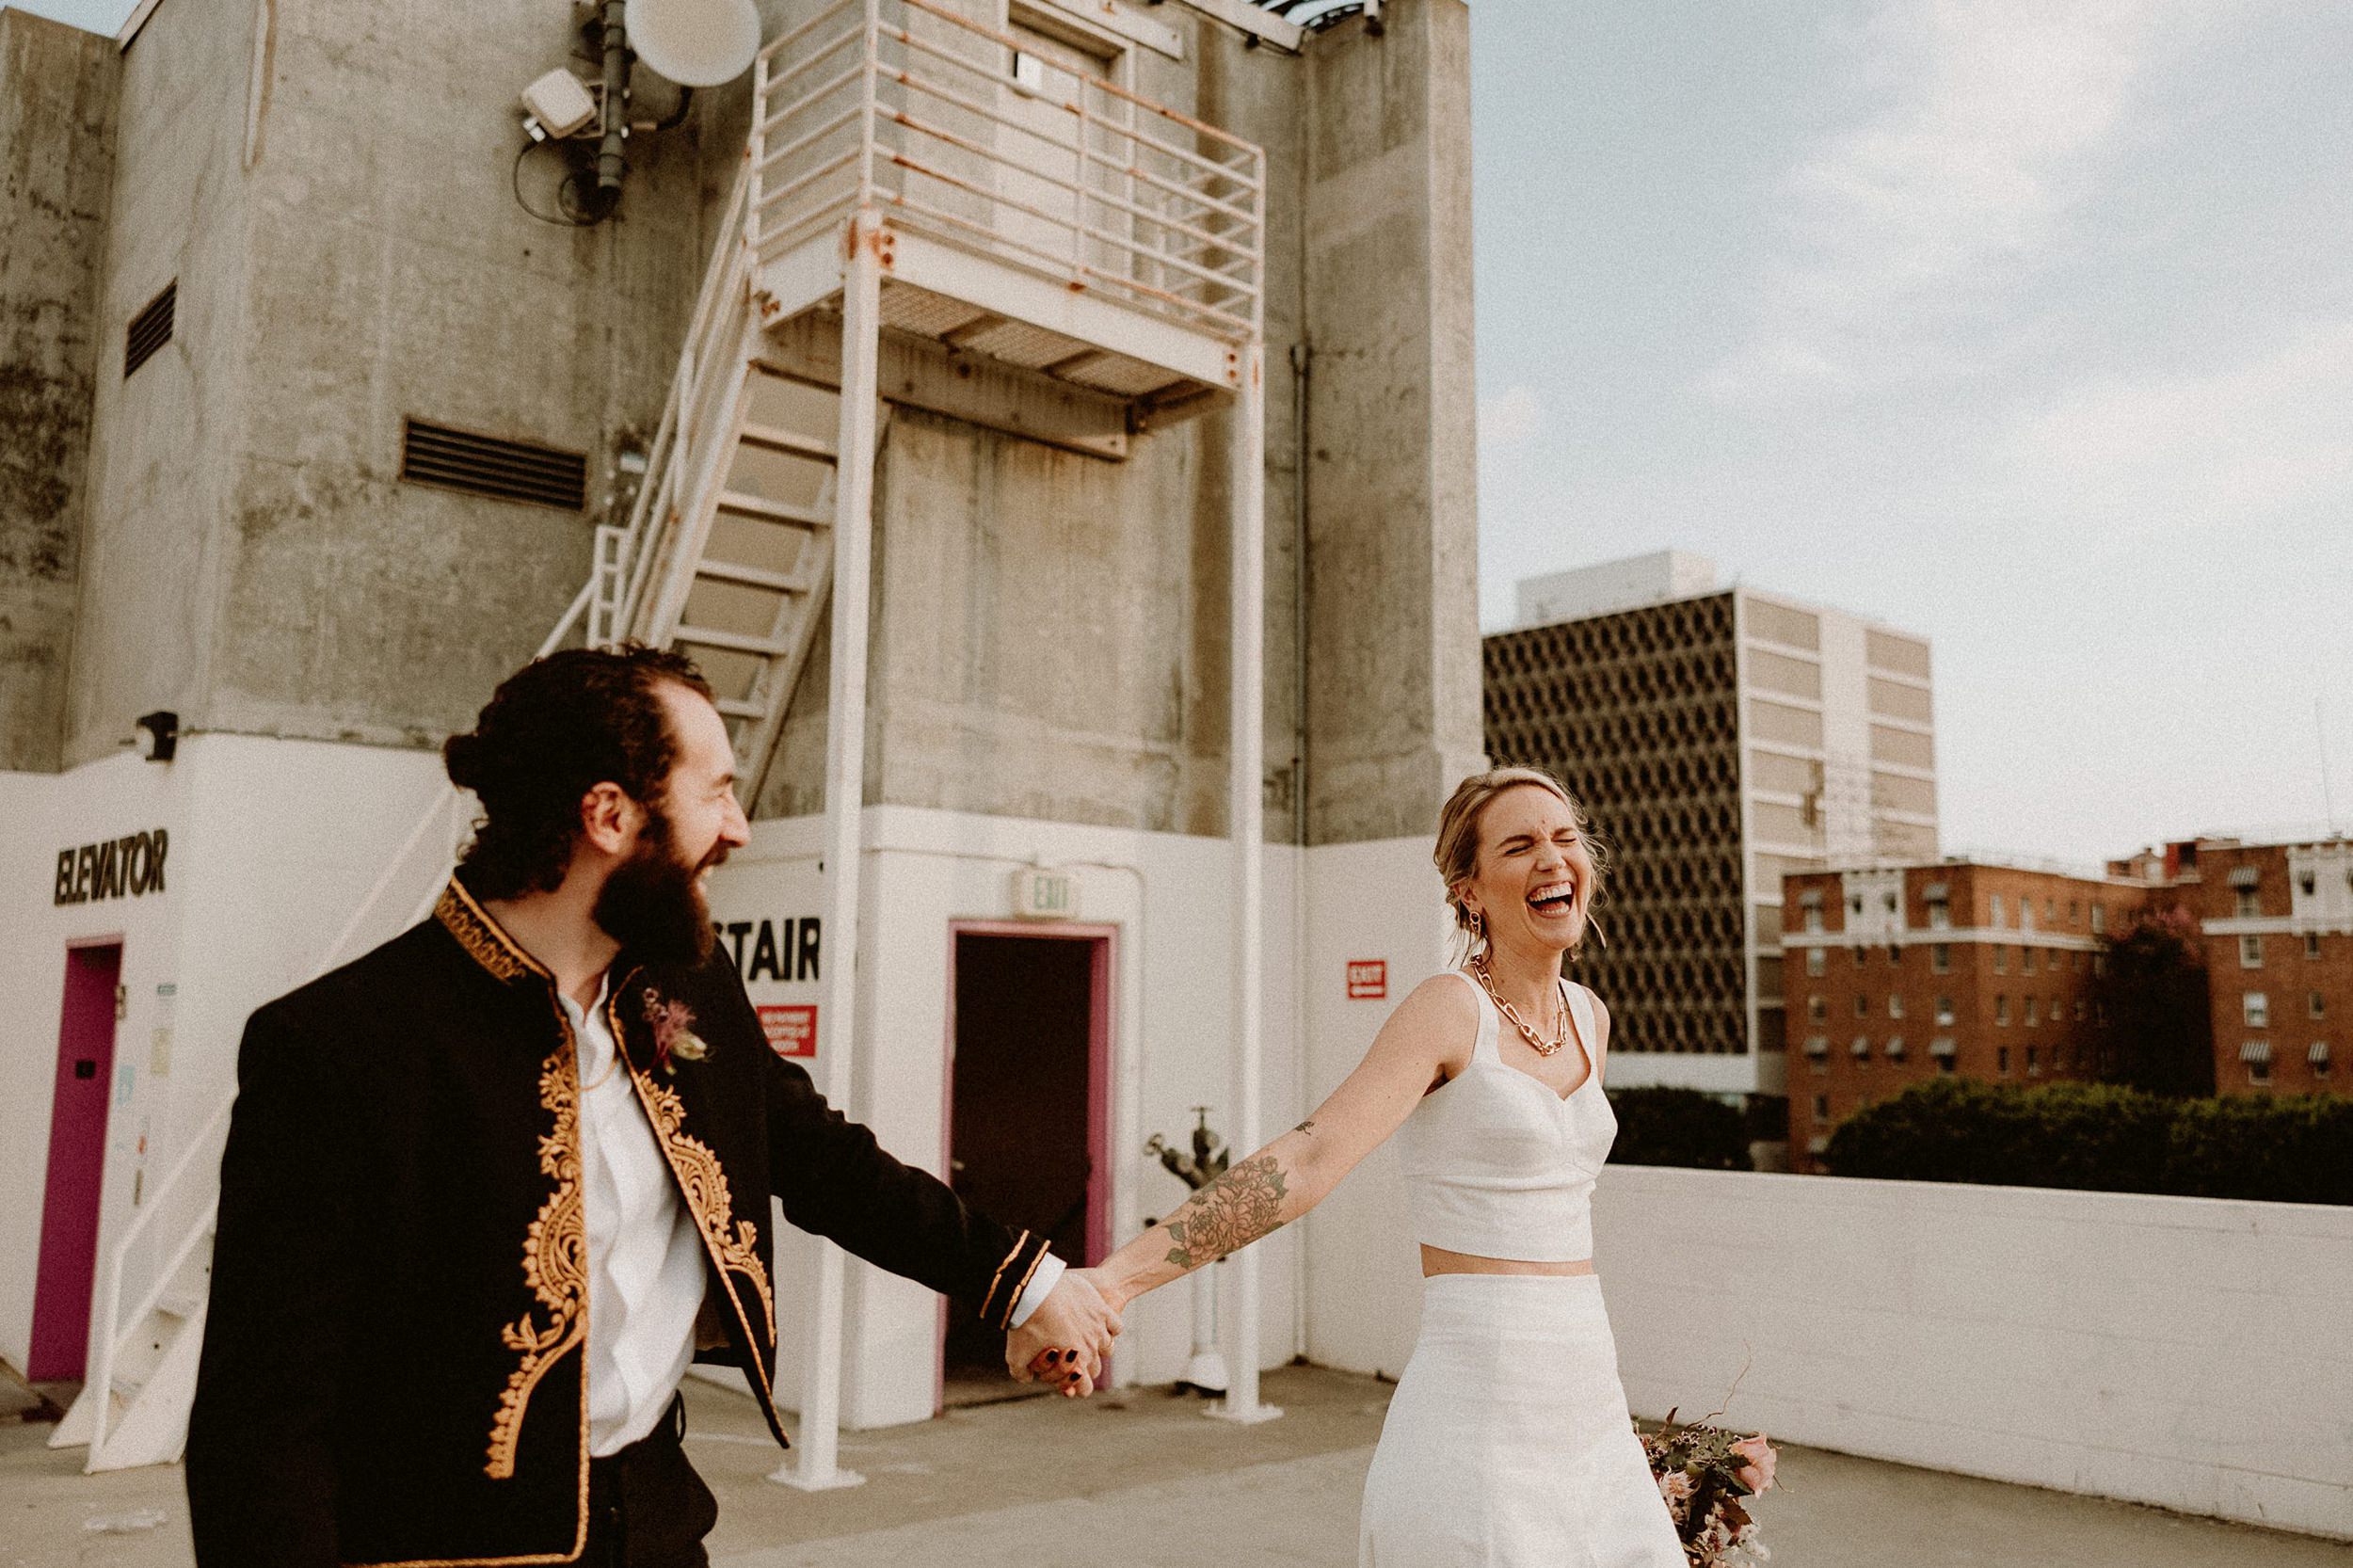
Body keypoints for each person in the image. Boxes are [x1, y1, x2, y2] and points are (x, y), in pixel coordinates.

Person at [185, 647, 1119, 1568]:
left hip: (659, 1523)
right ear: (609, 814)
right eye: (715, 791)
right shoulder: (340, 1045)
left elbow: (820, 1157)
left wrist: (1025, 1285)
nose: (740, 826)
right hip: (445, 1549)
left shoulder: (685, 985)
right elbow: (260, 1425)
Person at [1060, 766, 1684, 1566]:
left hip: (1587, 1385)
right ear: (1470, 890)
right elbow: (1313, 1155)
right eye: (1520, 845)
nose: (1553, 860)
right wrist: (1113, 1283)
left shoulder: (1590, 1017)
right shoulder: (1446, 1009)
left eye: (1565, 839)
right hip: (1480, 1394)